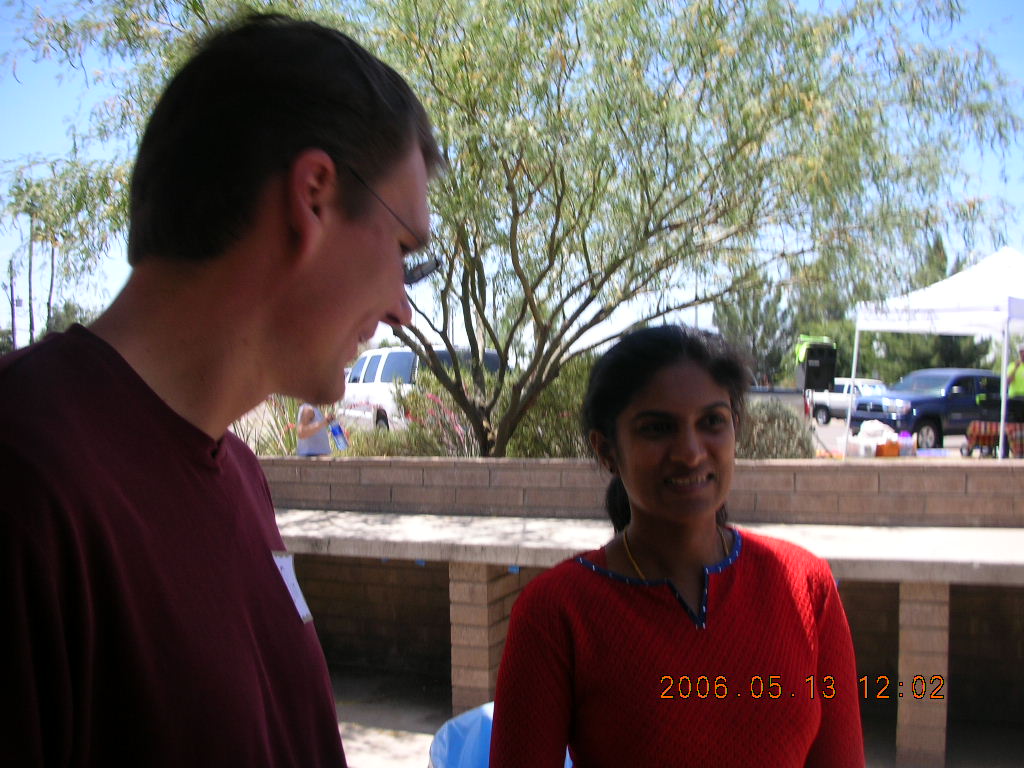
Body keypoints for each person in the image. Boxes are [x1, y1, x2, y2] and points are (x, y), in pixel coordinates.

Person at [1, 13, 442, 766]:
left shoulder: (238, 474)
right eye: (404, 249)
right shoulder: (26, 478)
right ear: (313, 197)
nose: (404, 307)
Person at [489, 326, 864, 767]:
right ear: (607, 450)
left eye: (712, 422)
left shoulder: (805, 587)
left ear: (735, 429)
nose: (690, 452)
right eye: (657, 428)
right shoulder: (556, 613)